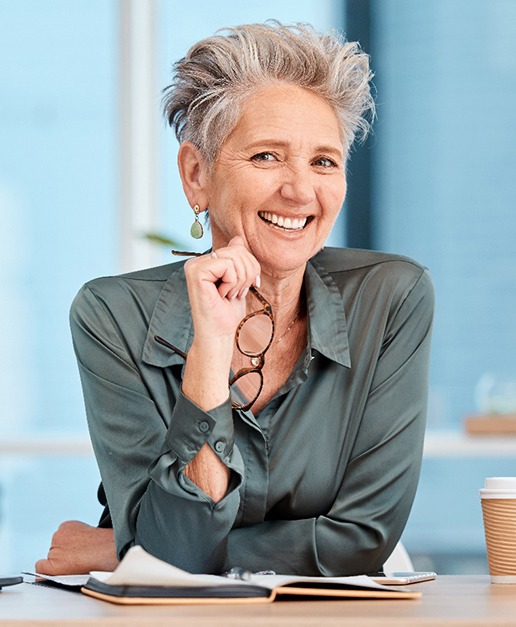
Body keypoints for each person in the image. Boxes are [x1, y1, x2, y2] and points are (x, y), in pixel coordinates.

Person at [36, 21, 433, 577]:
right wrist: (210, 350)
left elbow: (363, 538)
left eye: (323, 161)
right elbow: (180, 544)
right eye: (267, 156)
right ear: (196, 175)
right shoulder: (113, 317)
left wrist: (124, 550)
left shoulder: (391, 297)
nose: (300, 190)